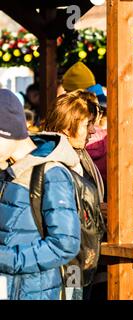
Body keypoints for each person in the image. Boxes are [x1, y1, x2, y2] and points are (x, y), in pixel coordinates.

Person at [0, 88, 81, 300]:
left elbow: (65, 245)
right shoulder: (6, 170)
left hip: (35, 292)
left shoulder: (52, 173)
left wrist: (8, 259)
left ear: (6, 133)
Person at [44, 90, 105, 300]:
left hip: (82, 258)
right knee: (72, 297)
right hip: (68, 263)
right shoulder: (55, 164)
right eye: (87, 124)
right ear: (67, 125)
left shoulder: (78, 156)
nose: (93, 130)